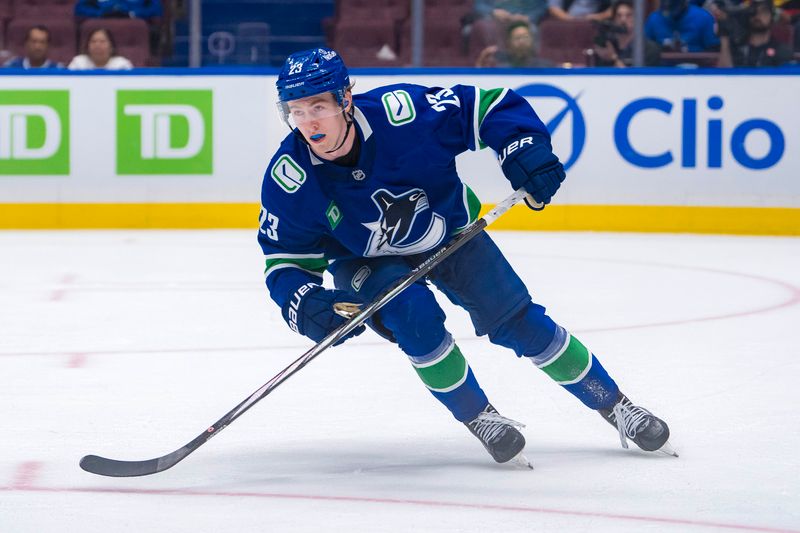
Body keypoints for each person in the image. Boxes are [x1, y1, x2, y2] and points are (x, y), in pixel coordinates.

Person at [258, 47, 675, 466]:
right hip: (361, 259)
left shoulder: (401, 114)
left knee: (519, 321)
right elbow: (284, 260)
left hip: (449, 232)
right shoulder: (289, 177)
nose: (308, 121)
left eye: (318, 106)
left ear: (346, 100)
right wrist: (303, 301)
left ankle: (616, 404)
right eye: (296, 110)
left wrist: (521, 145)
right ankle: (480, 416)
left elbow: (488, 106)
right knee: (414, 317)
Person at [717, 0, 794, 66]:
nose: (758, 16)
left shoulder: (781, 50)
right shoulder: (736, 47)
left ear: (772, 17)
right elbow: (723, 75)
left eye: (764, 12)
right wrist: (724, 37)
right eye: (754, 11)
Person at [592, 0, 662, 66]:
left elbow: (638, 77)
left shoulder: (650, 49)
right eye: (618, 16)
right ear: (613, 20)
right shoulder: (608, 46)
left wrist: (614, 59)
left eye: (629, 15)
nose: (623, 20)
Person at [645, 0, 720, 52]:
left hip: (698, 69)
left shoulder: (703, 17)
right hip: (662, 70)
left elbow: (713, 49)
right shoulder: (654, 18)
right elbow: (645, 49)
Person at [475, 21, 554, 67]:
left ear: (532, 40)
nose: (522, 41)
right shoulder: (500, 67)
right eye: (517, 38)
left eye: (525, 37)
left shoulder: (544, 66)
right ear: (509, 42)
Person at [68, 28, 133, 70]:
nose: (97, 45)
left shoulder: (122, 65)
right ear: (87, 47)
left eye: (102, 41)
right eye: (93, 41)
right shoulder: (78, 63)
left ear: (111, 47)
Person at [547, 0, 612, 21]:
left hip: (594, 23)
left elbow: (618, 6)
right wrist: (570, 19)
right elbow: (553, 7)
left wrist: (599, 17)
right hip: (567, 21)